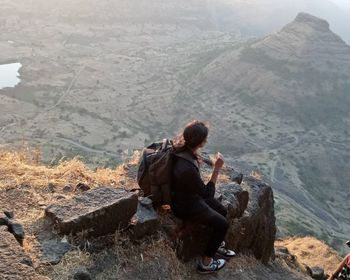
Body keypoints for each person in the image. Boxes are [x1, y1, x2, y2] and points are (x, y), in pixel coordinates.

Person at [171, 120, 235, 274]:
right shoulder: (188, 168)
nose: (206, 141)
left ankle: (216, 243)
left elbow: (200, 191)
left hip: (185, 195)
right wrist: (217, 169)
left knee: (222, 211)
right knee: (223, 224)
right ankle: (206, 263)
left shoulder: (180, 151)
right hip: (185, 206)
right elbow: (207, 193)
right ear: (200, 142)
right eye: (205, 139)